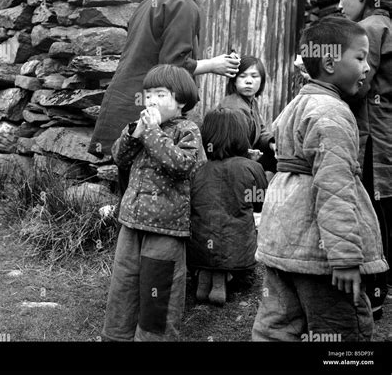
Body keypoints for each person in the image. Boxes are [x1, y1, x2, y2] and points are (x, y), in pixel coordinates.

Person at [252, 16, 388, 342]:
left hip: (282, 243)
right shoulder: (332, 113)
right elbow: (335, 187)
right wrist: (343, 258)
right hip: (320, 257)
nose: (368, 67)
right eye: (360, 57)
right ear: (329, 63)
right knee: (341, 333)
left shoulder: (296, 104)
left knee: (277, 328)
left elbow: (271, 145)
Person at [88, 0, 240, 162]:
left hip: (125, 104)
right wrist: (214, 64)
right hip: (148, 109)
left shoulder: (150, 2)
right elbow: (173, 66)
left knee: (129, 184)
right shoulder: (184, 4)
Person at [102, 64, 202, 341]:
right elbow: (120, 159)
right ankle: (117, 335)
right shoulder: (141, 127)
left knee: (158, 289)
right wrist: (134, 134)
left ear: (181, 100)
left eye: (160, 94)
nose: (151, 101)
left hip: (166, 228)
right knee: (124, 283)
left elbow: (182, 165)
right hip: (132, 222)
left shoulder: (188, 130)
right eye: (148, 95)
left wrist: (152, 132)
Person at [336, 0, 392, 320]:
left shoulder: (369, 28)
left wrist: (319, 76)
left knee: (372, 211)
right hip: (385, 127)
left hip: (374, 132)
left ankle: (374, 292)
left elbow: (360, 82)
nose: (340, 5)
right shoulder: (386, 24)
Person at [188, 108, 267, 306]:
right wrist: (252, 165)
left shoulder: (196, 168)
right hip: (237, 251)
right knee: (237, 228)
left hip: (198, 249)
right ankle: (225, 278)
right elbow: (260, 203)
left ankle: (204, 275)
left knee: (208, 230)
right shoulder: (250, 167)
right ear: (242, 136)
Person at [218, 56, 276, 181]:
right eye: (243, 76)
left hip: (247, 156)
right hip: (232, 162)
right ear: (234, 81)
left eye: (254, 76)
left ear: (262, 81)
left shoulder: (251, 102)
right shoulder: (232, 107)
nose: (248, 81)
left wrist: (271, 142)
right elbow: (230, 145)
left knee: (277, 157)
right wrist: (249, 156)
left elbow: (260, 129)